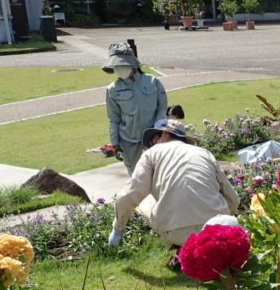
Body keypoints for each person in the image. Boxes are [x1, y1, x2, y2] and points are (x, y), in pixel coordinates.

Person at [108, 119, 240, 269]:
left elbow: (128, 196)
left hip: (176, 232)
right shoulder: (204, 153)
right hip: (216, 229)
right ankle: (204, 249)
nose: (152, 145)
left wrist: (117, 229)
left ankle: (182, 249)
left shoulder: (152, 153)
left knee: (143, 200)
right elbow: (233, 198)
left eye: (153, 140)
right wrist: (224, 219)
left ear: (165, 135)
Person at [103, 43, 167, 174]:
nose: (118, 69)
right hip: (128, 141)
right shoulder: (113, 89)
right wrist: (115, 142)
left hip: (152, 139)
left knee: (157, 175)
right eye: (116, 66)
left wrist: (157, 131)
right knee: (135, 177)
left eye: (121, 65)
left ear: (132, 65)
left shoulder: (152, 81)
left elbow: (162, 108)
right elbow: (113, 118)